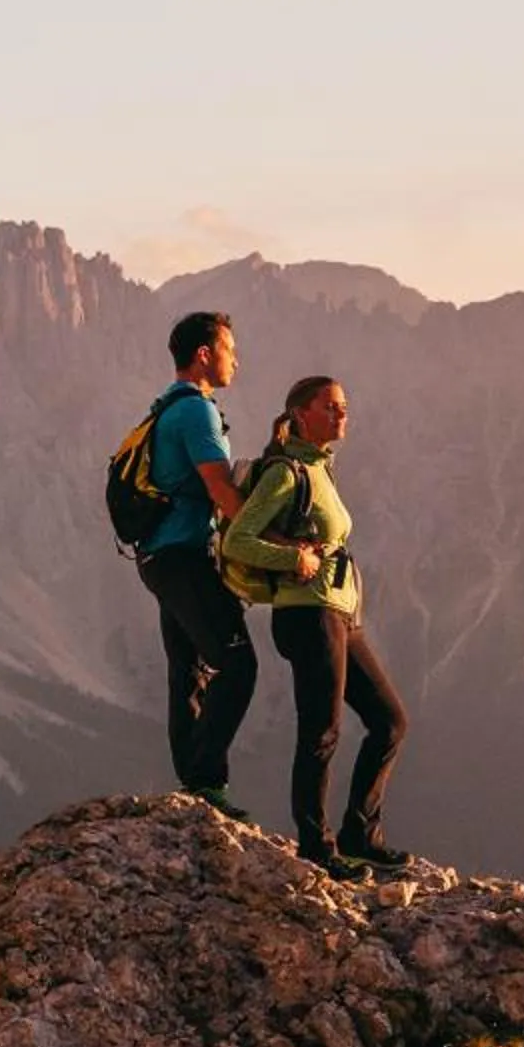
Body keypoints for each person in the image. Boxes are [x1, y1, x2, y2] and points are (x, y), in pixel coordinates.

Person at [220, 375, 412, 878]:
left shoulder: (319, 468)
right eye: (331, 407)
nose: (342, 414)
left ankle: (359, 833)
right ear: (302, 415)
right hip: (308, 614)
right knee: (321, 732)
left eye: (344, 406)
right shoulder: (286, 472)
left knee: (390, 722)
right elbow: (237, 541)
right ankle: (316, 846)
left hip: (340, 614)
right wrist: (291, 558)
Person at [136, 311, 257, 821]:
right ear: (204, 354)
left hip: (158, 556)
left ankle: (194, 786)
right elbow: (221, 490)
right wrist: (262, 545)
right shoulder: (197, 412)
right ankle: (206, 782)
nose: (236, 358)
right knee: (237, 664)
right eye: (230, 348)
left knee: (187, 670)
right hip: (185, 556)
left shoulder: (165, 407)